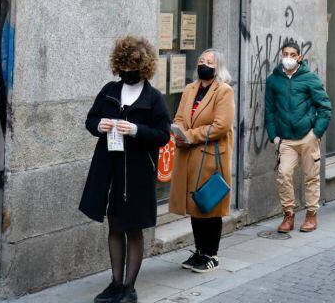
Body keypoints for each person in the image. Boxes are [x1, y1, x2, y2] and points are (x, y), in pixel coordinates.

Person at [80, 36, 172, 303]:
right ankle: (115, 283)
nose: (127, 70)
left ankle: (129, 288)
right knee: (114, 225)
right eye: (123, 65)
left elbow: (162, 135)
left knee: (134, 228)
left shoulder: (153, 98)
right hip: (109, 169)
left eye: (132, 65)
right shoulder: (110, 89)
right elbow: (91, 119)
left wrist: (135, 130)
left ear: (143, 67)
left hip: (138, 172)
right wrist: (99, 126)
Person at [169, 49, 235, 273]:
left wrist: (190, 136)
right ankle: (199, 251)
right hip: (188, 154)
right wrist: (178, 132)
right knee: (194, 206)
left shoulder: (223, 91)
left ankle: (211, 254)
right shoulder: (189, 89)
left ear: (218, 67)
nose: (203, 64)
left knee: (209, 204)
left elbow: (221, 126)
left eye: (209, 62)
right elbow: (179, 117)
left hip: (210, 156)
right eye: (201, 60)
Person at [265, 40, 332, 233]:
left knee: (311, 177)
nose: (288, 58)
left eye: (292, 55)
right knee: (284, 174)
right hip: (285, 140)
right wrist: (274, 137)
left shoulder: (310, 78)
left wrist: (315, 134)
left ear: (299, 58)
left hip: (307, 137)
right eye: (285, 54)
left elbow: (325, 107)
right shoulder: (273, 80)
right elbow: (269, 111)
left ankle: (311, 215)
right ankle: (289, 215)